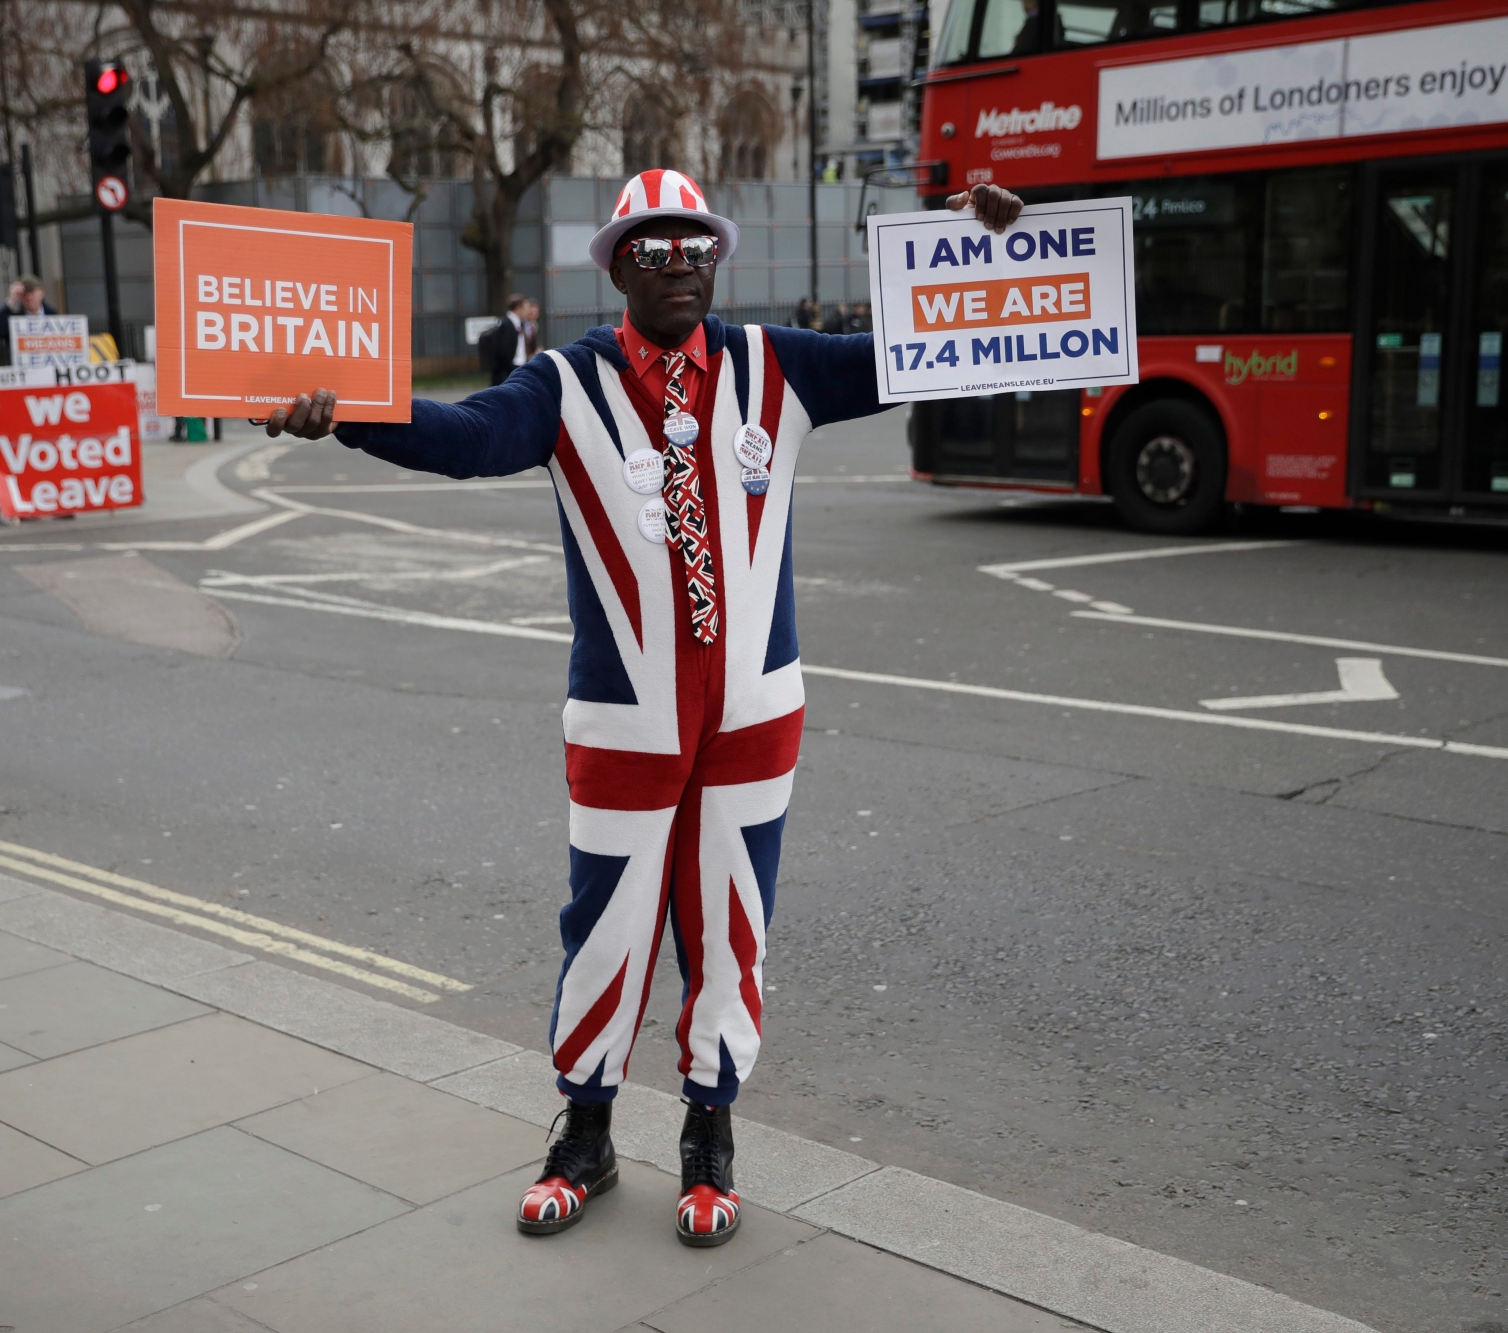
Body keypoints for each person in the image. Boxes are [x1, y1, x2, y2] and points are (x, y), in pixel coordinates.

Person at [266, 172, 1023, 1248]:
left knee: (729, 928)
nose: (679, 267)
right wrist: (346, 415)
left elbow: (927, 347)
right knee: (606, 926)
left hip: (754, 714)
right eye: (656, 251)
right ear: (619, 264)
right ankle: (585, 1132)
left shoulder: (779, 366)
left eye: (696, 250)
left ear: (717, 261)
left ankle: (708, 1138)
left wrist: (977, 248)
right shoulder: (566, 384)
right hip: (625, 716)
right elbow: (466, 435)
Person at [0, 275, 56, 364]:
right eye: (24, 294)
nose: (29, 297)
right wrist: (10, 301)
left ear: (41, 293)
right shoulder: (15, 319)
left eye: (32, 292)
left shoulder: (53, 315)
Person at [479, 294, 539, 385]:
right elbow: (504, 351)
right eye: (526, 308)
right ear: (519, 308)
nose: (527, 312)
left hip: (516, 368)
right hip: (508, 372)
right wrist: (510, 369)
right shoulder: (506, 325)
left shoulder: (518, 324)